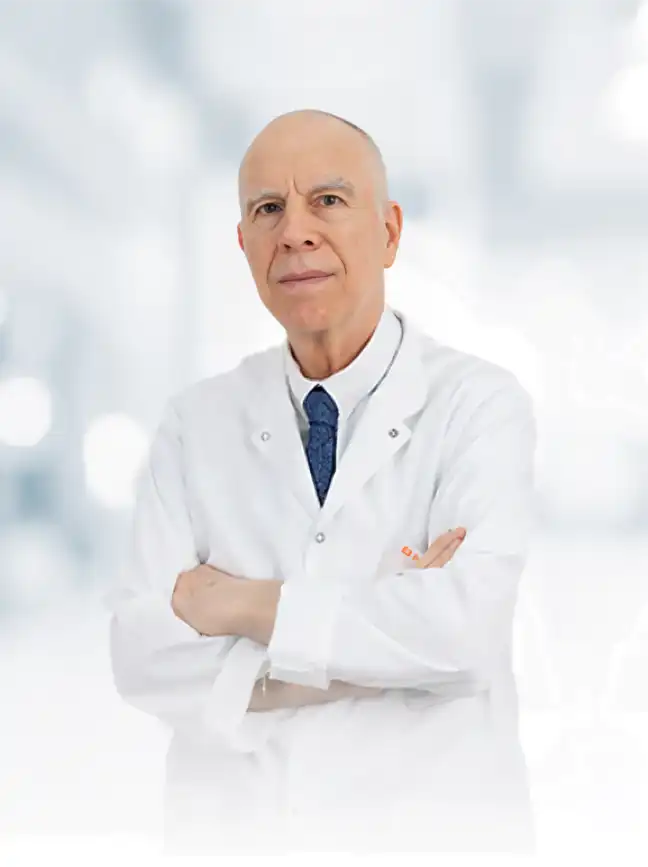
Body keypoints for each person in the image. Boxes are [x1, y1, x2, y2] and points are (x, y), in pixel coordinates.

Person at [106, 109, 538, 855]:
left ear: (390, 231)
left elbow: (464, 634)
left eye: (328, 200)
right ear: (244, 245)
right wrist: (384, 654)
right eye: (268, 209)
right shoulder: (193, 425)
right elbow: (141, 656)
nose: (295, 232)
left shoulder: (478, 406)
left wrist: (243, 605)